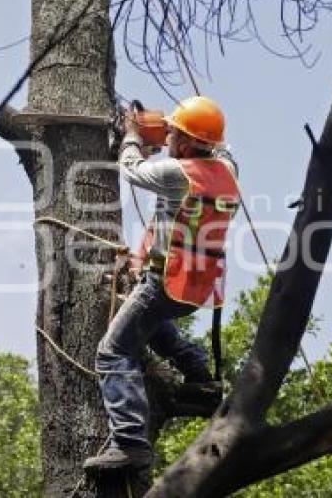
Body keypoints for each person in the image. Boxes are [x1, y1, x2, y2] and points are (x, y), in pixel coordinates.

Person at [83, 96, 239, 472]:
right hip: (196, 288)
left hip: (164, 282)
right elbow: (219, 148)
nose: (167, 136)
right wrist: (167, 130)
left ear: (185, 143)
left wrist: (134, 135)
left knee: (113, 352)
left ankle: (130, 443)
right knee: (150, 325)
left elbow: (131, 168)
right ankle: (199, 377)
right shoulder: (229, 170)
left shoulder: (176, 175)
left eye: (173, 133)